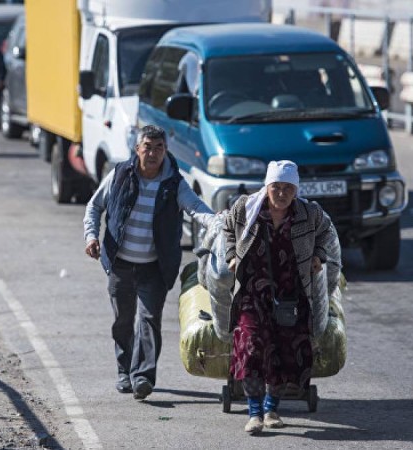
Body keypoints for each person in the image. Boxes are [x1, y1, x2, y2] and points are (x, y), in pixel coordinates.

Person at [83, 125, 213, 400]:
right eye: (148, 147)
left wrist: (218, 223)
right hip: (120, 264)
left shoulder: (174, 183)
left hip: (155, 267)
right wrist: (91, 236)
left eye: (159, 148)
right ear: (137, 149)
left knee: (148, 320)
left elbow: (196, 208)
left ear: (165, 151)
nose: (153, 154)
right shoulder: (119, 174)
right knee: (123, 321)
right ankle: (124, 371)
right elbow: (95, 206)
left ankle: (142, 376)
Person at [223, 160, 341, 435]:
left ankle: (271, 409)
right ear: (267, 187)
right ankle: (254, 413)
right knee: (251, 347)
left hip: (291, 295)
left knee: (283, 352)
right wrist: (231, 256)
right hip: (252, 293)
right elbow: (227, 230)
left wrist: (318, 255)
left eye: (288, 188)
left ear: (296, 190)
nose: (281, 193)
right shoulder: (246, 208)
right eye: (276, 187)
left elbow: (327, 233)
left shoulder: (309, 213)